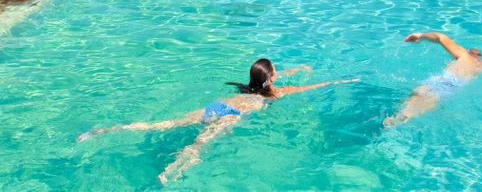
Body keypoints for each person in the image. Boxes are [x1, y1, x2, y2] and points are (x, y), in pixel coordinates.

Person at [78, 59, 356, 185]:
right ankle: (170, 172)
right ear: (270, 80)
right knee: (199, 147)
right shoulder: (273, 95)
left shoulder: (247, 87)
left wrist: (299, 68)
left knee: (163, 124)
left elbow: (269, 77)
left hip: (216, 107)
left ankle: (106, 130)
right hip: (232, 117)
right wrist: (342, 81)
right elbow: (312, 87)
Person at [384, 32, 482, 128]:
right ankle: (404, 117)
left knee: (419, 94)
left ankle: (401, 115)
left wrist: (420, 36)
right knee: (428, 101)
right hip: (453, 86)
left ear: (467, 51)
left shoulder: (464, 55)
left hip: (440, 80)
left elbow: (440, 37)